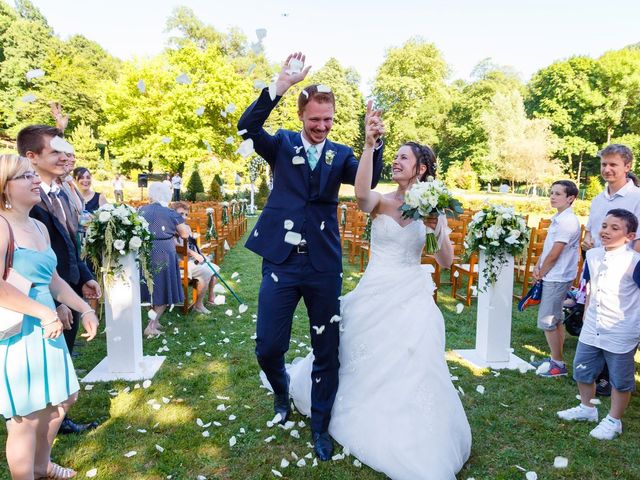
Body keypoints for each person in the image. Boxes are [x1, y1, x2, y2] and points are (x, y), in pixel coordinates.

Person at [274, 121, 472, 477]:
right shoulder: (382, 202)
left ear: (421, 168)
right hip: (374, 290)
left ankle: (409, 424)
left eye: (402, 158)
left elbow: (445, 261)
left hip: (410, 293)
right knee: (353, 350)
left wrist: (435, 227)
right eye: (393, 156)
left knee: (412, 359)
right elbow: (361, 194)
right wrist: (368, 146)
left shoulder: (434, 208)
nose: (395, 161)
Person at [238, 52, 384, 461]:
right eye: (314, 120)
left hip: (323, 264)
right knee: (268, 346)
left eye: (328, 120)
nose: (321, 127)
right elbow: (246, 127)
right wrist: (279, 87)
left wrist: (375, 144)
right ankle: (281, 390)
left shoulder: (341, 153)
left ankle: (320, 426)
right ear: (302, 115)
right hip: (281, 262)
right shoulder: (281, 143)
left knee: (327, 350)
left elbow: (366, 183)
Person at [0, 154, 99, 479]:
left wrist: (82, 307)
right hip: (19, 331)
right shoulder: (1, 226)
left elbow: (53, 280)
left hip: (47, 328)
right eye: (25, 176)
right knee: (25, 421)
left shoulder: (39, 225)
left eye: (33, 175)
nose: (35, 181)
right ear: (4, 187)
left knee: (62, 399)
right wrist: (44, 312)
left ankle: (42, 465)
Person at [18, 125, 102, 435]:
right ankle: (47, 426)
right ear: (32, 157)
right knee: (49, 368)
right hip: (45, 297)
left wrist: (85, 277)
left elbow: (68, 242)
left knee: (63, 360)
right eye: (55, 152)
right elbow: (29, 261)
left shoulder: (62, 193)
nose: (65, 158)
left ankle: (54, 423)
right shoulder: (29, 200)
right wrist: (53, 303)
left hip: (67, 285)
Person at [557, 209, 640, 440]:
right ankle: (587, 408)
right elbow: (590, 285)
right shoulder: (592, 255)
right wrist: (585, 313)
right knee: (582, 368)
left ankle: (614, 421)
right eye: (604, 226)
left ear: (629, 236)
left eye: (615, 228)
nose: (606, 231)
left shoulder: (634, 262)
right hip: (592, 324)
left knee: (620, 379)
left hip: (622, 329)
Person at [532, 180, 581, 377]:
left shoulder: (568, 221)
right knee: (557, 320)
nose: (552, 197)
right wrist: (537, 264)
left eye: (558, 194)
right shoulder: (559, 218)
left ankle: (558, 365)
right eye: (551, 193)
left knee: (547, 321)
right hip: (553, 273)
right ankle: (555, 357)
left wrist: (541, 274)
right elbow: (548, 249)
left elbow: (555, 254)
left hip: (557, 275)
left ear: (570, 198)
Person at [139, 183, 190, 336]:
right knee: (163, 289)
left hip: (145, 251)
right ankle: (151, 326)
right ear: (168, 196)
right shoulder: (170, 213)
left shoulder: (141, 210)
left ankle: (155, 321)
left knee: (150, 287)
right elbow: (185, 235)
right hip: (164, 252)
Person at [172, 202, 218, 314]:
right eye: (181, 213)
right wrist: (193, 254)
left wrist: (200, 254)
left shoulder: (186, 227)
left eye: (186, 214)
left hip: (190, 260)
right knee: (206, 272)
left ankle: (211, 298)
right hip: (180, 262)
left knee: (213, 269)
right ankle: (198, 305)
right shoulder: (171, 228)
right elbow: (176, 246)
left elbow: (192, 245)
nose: (184, 217)